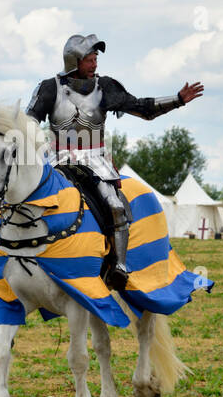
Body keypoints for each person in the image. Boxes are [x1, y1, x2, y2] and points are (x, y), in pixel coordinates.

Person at [26, 34, 203, 290]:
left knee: (114, 205)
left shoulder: (105, 87)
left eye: (96, 58)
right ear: (74, 62)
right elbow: (29, 119)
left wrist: (177, 100)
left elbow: (142, 108)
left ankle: (117, 265)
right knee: (20, 195)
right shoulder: (49, 88)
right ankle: (9, 256)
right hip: (56, 160)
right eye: (89, 59)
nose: (95, 63)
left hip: (95, 161)